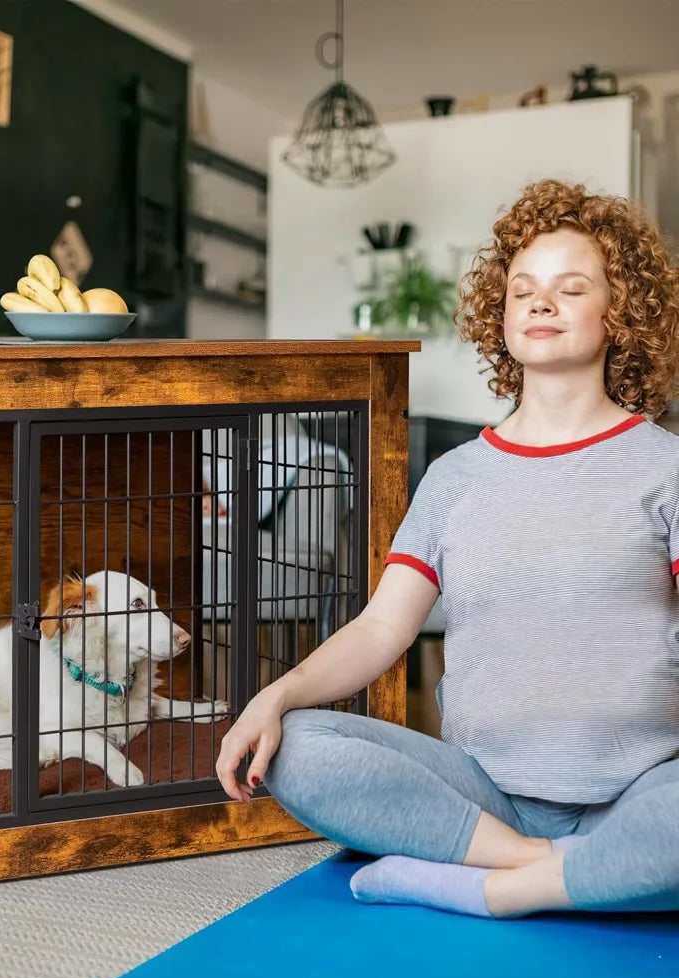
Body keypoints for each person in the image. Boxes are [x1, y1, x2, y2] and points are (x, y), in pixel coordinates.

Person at [214, 178, 679, 918]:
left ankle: (492, 890)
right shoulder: (455, 477)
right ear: (501, 312)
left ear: (620, 312)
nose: (539, 302)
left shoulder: (664, 467)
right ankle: (560, 870)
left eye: (571, 286)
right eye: (522, 287)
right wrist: (276, 695)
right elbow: (380, 628)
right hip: (482, 797)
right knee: (297, 746)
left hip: (643, 789)